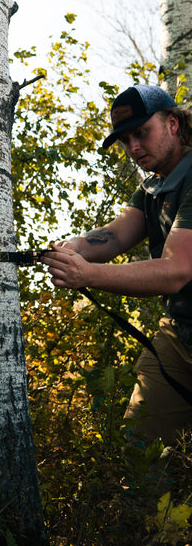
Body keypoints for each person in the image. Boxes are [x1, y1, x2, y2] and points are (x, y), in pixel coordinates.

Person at [42, 84, 192, 446]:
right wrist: (72, 246)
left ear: (172, 123)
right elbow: (116, 235)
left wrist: (86, 274)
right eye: (125, 140)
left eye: (142, 133)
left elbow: (176, 270)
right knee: (141, 452)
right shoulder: (155, 185)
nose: (134, 148)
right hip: (180, 334)